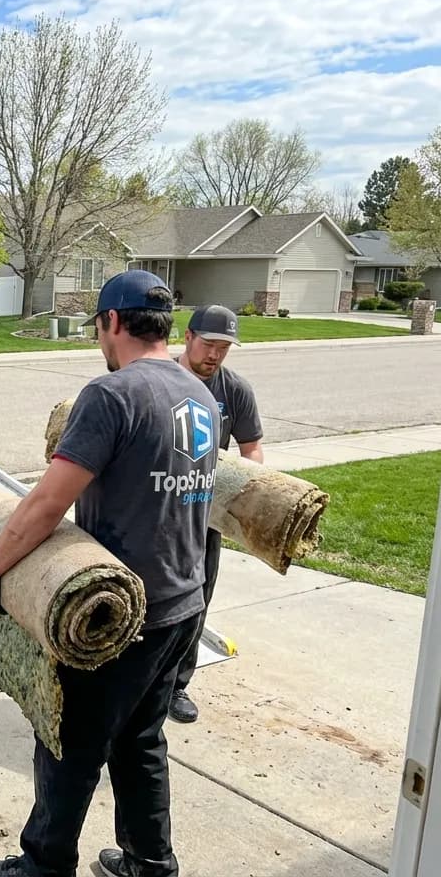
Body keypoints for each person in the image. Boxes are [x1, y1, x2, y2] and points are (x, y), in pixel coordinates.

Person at [0, 270, 219, 877]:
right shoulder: (199, 395)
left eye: (98, 330)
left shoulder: (113, 396)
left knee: (68, 744)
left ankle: (43, 864)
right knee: (141, 740)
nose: (98, 344)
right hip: (183, 604)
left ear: (112, 322)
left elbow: (47, 503)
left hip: (115, 613)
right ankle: (149, 861)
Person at [169, 304, 264, 724]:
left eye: (224, 348)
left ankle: (177, 687)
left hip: (204, 515)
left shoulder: (234, 391)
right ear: (187, 337)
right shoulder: (160, 380)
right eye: (209, 345)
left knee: (196, 602)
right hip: (156, 509)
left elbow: (251, 449)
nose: (215, 355)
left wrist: (248, 491)